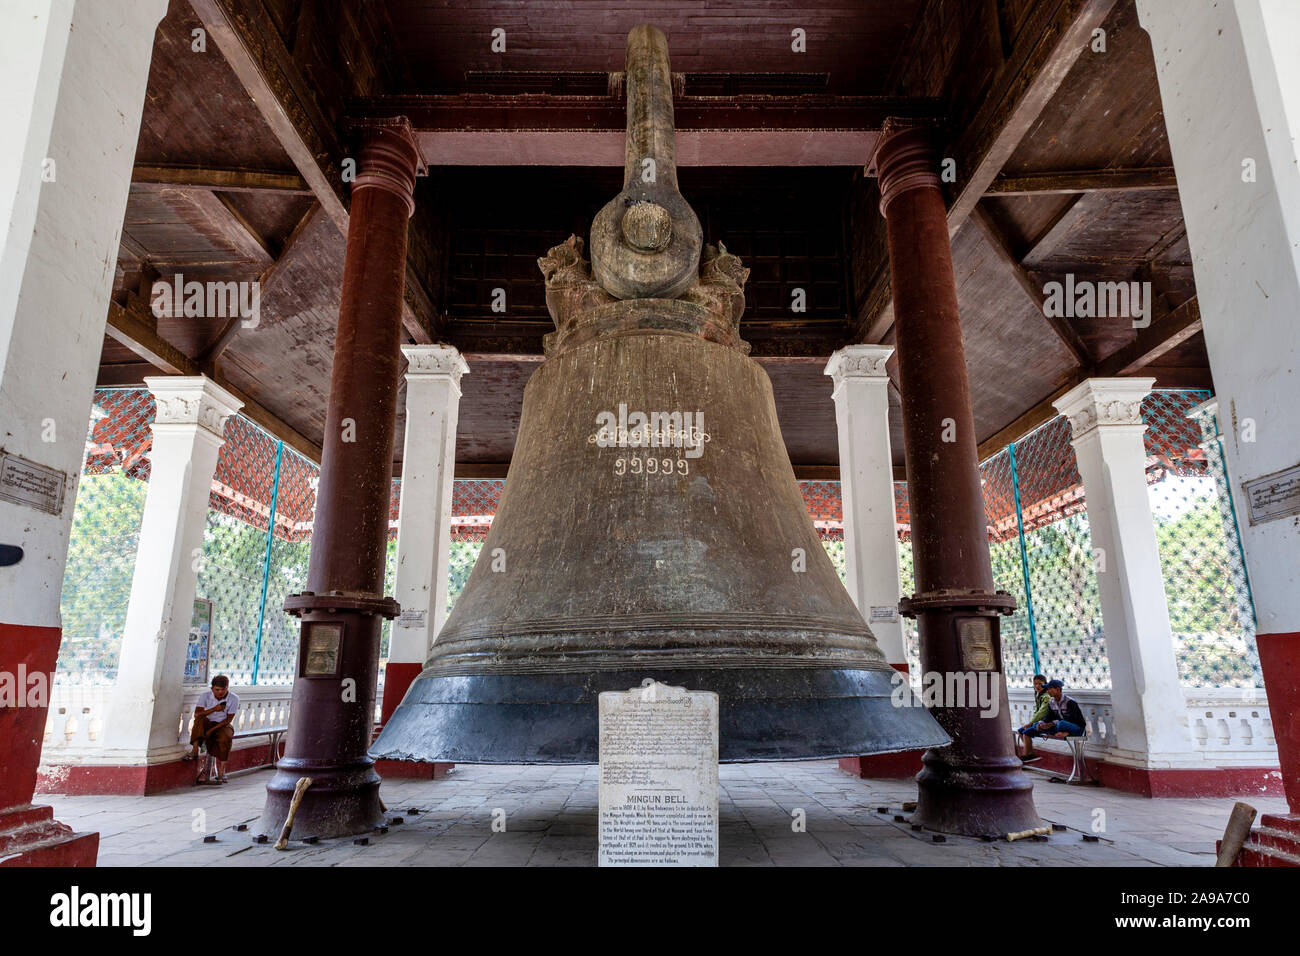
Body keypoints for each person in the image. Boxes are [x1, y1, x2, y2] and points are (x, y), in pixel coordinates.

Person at [183, 675, 239, 783]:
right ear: (212, 688)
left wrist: (211, 731)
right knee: (199, 721)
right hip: (207, 721)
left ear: (227, 688)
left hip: (222, 724)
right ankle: (194, 751)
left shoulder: (233, 698)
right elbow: (197, 714)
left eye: (223, 689)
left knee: (226, 738)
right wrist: (214, 709)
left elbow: (228, 719)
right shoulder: (205, 696)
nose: (220, 692)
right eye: (217, 689)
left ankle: (222, 771)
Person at [1015, 674, 1050, 761]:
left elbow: (1042, 712)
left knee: (1026, 733)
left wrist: (1031, 723)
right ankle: (1030, 753)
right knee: (1020, 731)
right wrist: (1031, 723)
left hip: (1045, 723)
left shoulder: (1047, 696)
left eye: (1040, 683)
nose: (1037, 686)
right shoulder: (1038, 695)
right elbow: (1036, 712)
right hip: (1037, 722)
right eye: (1035, 684)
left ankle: (1026, 755)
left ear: (1045, 684)